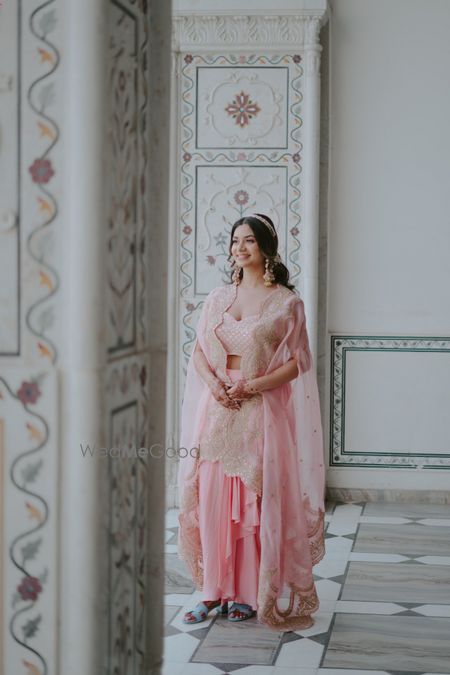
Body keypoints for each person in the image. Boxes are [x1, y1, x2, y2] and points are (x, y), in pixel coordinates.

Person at [177, 213, 325, 631]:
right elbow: (199, 353)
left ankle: (244, 593)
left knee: (250, 499)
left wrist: (254, 386)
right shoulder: (218, 298)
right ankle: (211, 591)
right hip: (219, 404)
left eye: (250, 241)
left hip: (259, 409)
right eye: (235, 241)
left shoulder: (286, 303)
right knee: (211, 496)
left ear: (266, 248)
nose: (240, 248)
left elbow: (299, 362)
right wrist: (217, 386)